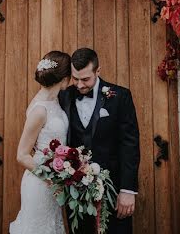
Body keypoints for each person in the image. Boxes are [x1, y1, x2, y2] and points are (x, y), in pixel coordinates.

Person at [59, 48, 140, 234]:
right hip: (75, 194)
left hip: (114, 190)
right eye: (75, 78)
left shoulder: (120, 96)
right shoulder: (63, 96)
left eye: (85, 79)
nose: (79, 85)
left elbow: (130, 144)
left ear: (98, 71)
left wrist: (128, 190)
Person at [9, 50, 72, 234]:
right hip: (39, 184)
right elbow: (22, 155)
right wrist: (51, 177)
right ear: (64, 79)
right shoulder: (39, 110)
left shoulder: (54, 100)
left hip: (53, 186)